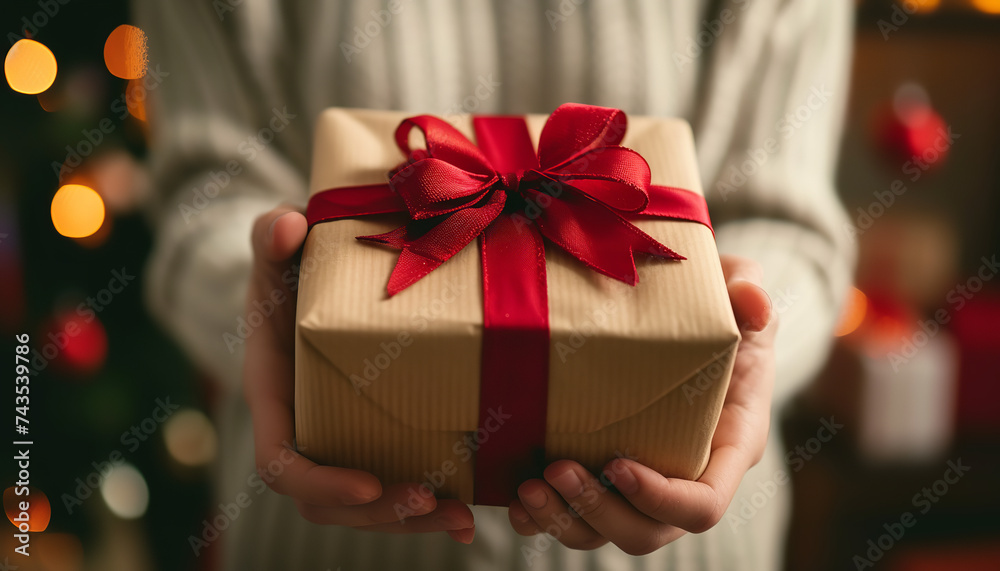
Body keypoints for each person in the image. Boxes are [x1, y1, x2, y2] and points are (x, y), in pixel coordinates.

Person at [139, 1, 855, 569]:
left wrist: (744, 354)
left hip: (690, 545)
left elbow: (785, 222)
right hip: (325, 543)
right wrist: (266, 309)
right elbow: (205, 192)